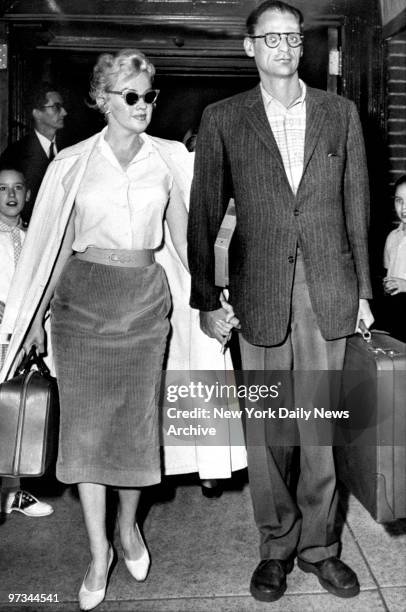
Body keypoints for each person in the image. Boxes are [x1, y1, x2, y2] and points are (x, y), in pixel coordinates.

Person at [187, 0, 374, 603]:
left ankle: (321, 549)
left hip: (328, 289)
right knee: (270, 431)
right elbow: (204, 213)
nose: (286, 48)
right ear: (250, 48)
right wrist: (204, 298)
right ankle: (276, 548)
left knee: (321, 427)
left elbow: (357, 210)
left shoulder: (339, 113)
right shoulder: (223, 118)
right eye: (272, 39)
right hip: (258, 292)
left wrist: (365, 291)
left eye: (294, 37)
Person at [0, 49, 197, 611]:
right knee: (85, 431)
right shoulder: (74, 163)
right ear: (103, 99)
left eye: (148, 95)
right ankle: (96, 553)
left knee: (134, 427)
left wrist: (212, 297)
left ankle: (129, 528)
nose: (143, 106)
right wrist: (37, 315)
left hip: (143, 302)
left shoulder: (168, 159)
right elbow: (58, 244)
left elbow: (182, 239)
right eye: (130, 96)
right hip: (82, 302)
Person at [159, 129, 246, 497]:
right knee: (175, 371)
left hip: (209, 281)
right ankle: (177, 461)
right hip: (176, 280)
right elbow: (180, 239)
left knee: (207, 371)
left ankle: (211, 463)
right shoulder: (171, 169)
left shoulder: (232, 176)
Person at [0, 164, 53, 518]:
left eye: (18, 188)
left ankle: (14, 492)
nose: (11, 195)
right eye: (3, 189)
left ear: (28, 195)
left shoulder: (34, 236)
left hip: (23, 335)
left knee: (17, 409)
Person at [0, 83, 67, 224]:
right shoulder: (15, 154)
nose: (64, 112)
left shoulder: (71, 149)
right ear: (37, 113)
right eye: (56, 107)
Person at [382, 174, 406, 341]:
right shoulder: (392, 237)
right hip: (396, 314)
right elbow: (387, 272)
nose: (404, 207)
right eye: (399, 200)